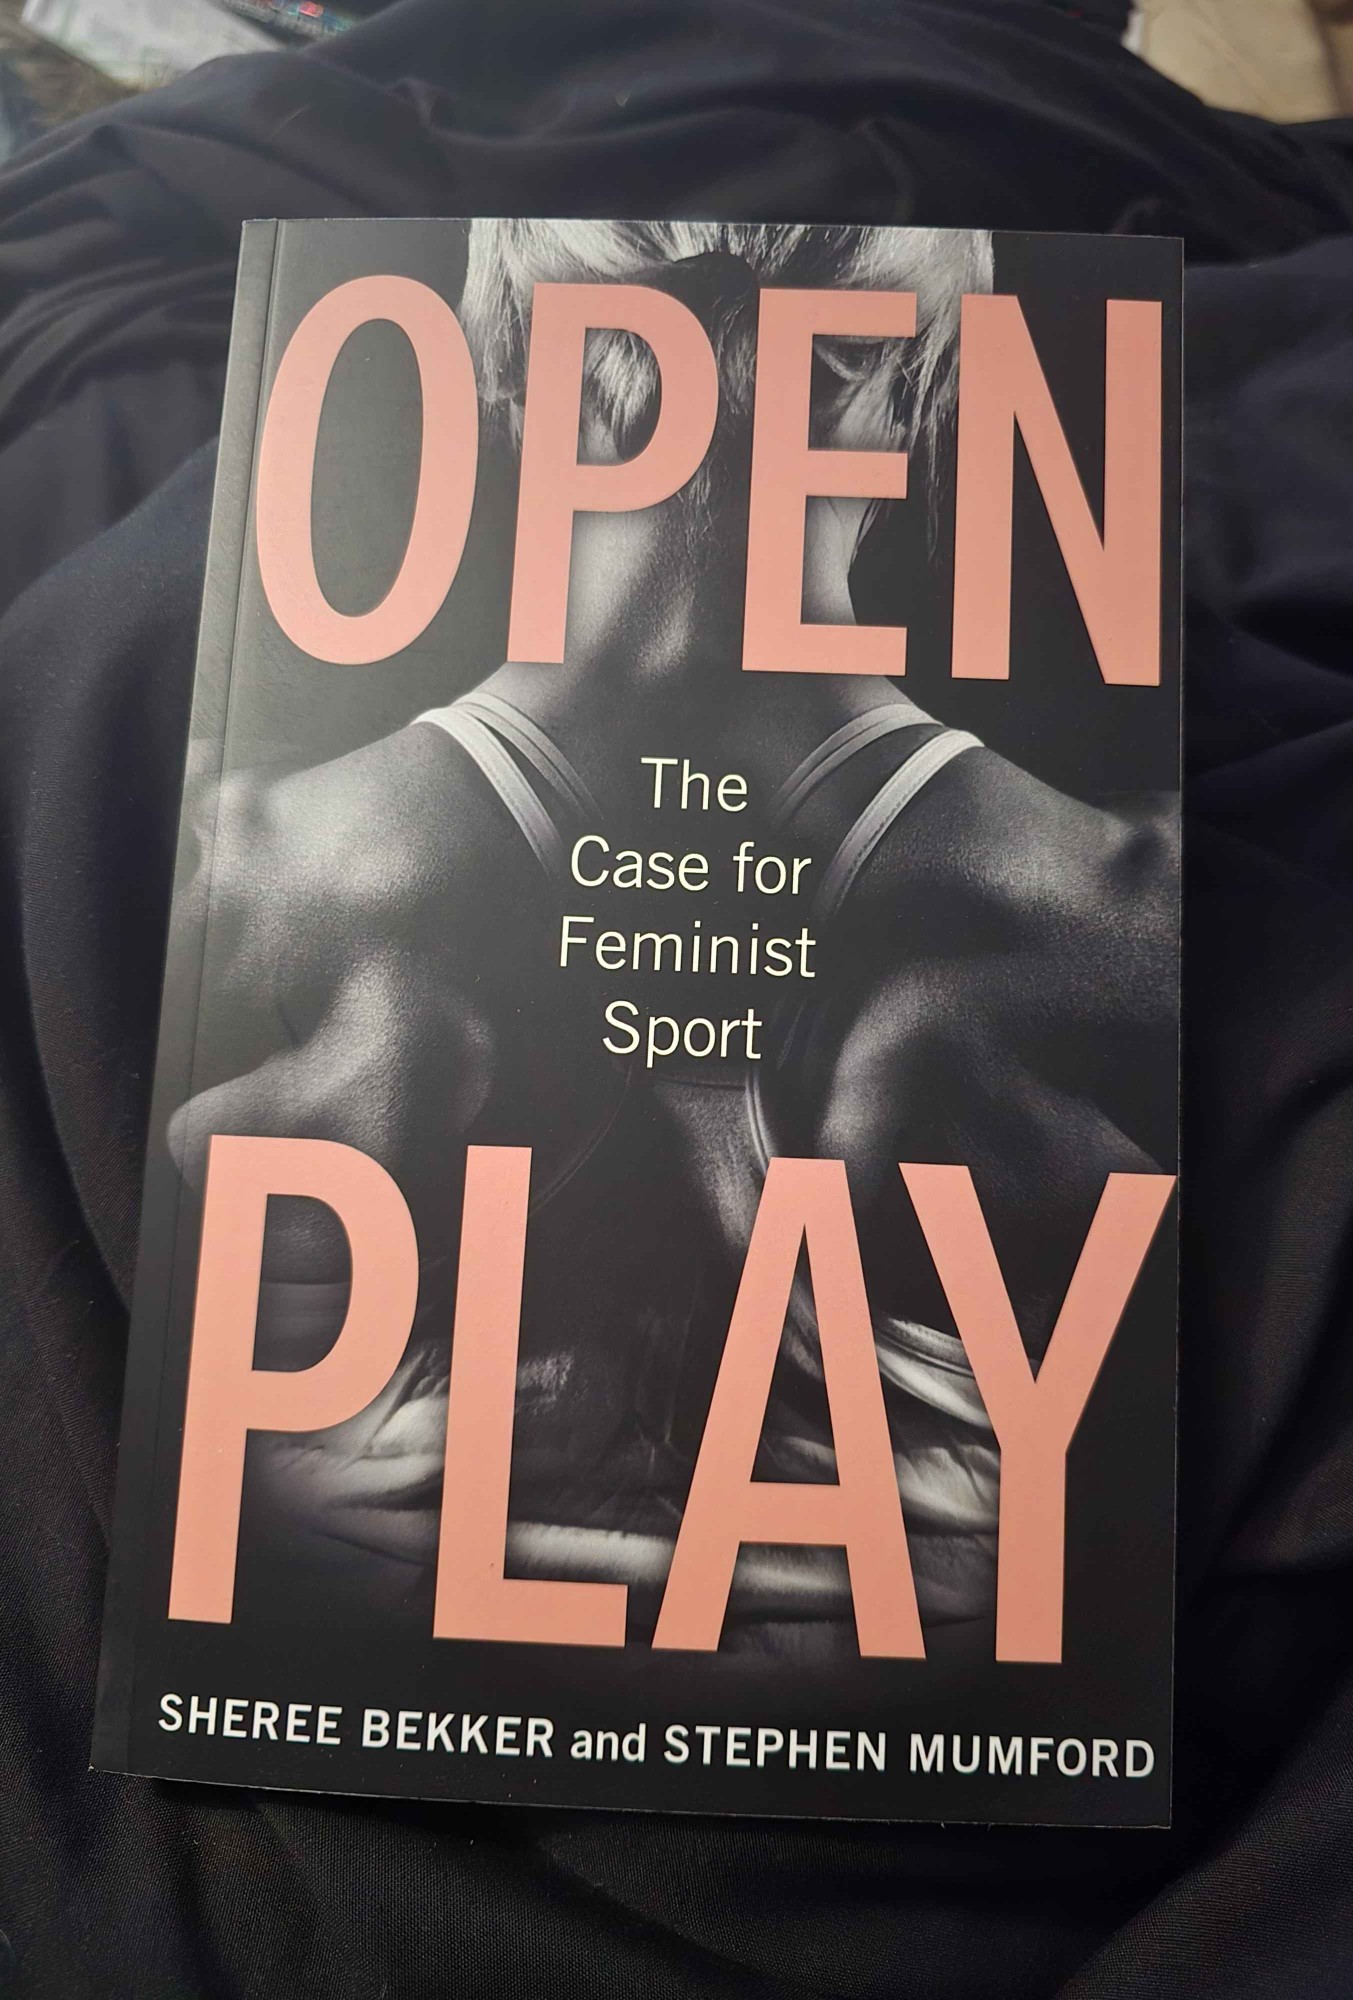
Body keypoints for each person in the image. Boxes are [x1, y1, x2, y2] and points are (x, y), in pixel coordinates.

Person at [166, 218, 1176, 1650]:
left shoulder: (252, 863)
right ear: (926, 396)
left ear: (505, 379)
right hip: (902, 1753)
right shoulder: (1122, 901)